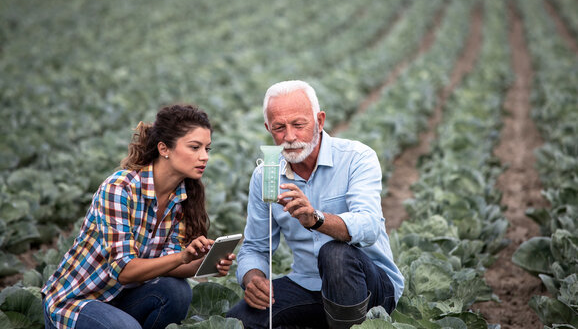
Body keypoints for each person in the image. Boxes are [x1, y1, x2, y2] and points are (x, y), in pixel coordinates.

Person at [226, 80, 404, 328]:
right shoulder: (265, 175)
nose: (289, 137)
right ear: (268, 128)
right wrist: (253, 278)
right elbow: (256, 246)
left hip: (370, 287)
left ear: (319, 121)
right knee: (239, 321)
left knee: (335, 254)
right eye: (279, 127)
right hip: (308, 284)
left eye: (299, 125)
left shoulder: (357, 158)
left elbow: (370, 225)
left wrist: (316, 219)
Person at [41, 104, 236, 329]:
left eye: (207, 149)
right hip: (76, 302)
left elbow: (170, 265)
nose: (204, 157)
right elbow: (124, 271)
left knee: (177, 291)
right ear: (164, 149)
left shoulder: (182, 197)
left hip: (121, 299)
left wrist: (202, 263)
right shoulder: (119, 188)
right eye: (194, 147)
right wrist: (182, 257)